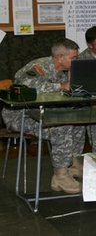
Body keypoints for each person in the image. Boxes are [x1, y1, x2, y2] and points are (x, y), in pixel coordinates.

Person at [1, 38, 85, 194]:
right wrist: (60, 86)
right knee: (61, 125)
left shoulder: (65, 71)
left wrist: (73, 78)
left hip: (42, 114)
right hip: (21, 116)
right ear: (60, 57)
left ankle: (72, 165)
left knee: (77, 121)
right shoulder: (40, 66)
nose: (76, 61)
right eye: (73, 58)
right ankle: (60, 176)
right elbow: (23, 85)